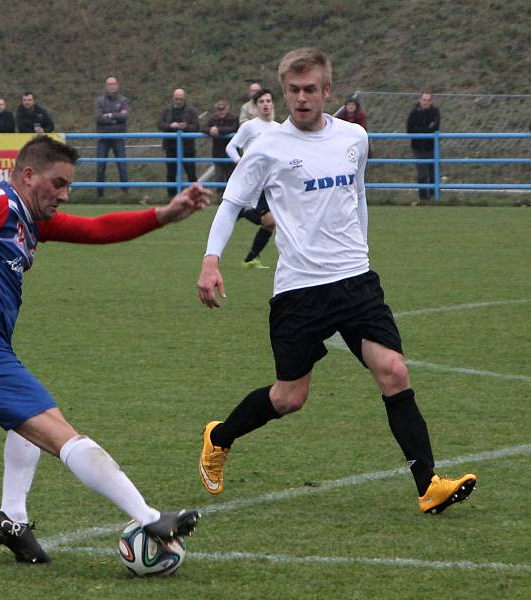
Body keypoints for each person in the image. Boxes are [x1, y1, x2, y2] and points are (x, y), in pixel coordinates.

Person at [0, 135, 207, 564]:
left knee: (23, 418)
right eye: (58, 183)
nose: (63, 195)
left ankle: (12, 517)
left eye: (68, 186)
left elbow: (97, 229)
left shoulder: (30, 221)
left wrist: (164, 215)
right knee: (59, 432)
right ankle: (150, 516)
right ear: (28, 175)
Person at [196, 48, 477, 516]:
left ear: (328, 90)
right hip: (299, 290)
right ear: (283, 91)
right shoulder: (267, 147)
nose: (301, 98)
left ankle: (428, 485)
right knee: (290, 398)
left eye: (311, 89)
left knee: (394, 372)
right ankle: (219, 436)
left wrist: (361, 252)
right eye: (293, 90)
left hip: (355, 281)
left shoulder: (355, 137)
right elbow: (230, 203)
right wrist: (211, 260)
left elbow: (358, 194)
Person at [225, 89, 279, 269]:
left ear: (272, 104)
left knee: (271, 223)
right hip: (254, 181)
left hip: (271, 181)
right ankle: (245, 211)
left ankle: (251, 258)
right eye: (262, 101)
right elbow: (231, 147)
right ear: (256, 106)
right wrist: (240, 162)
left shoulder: (278, 128)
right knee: (271, 221)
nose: (266, 104)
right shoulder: (249, 126)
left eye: (268, 101)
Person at [157, 88, 200, 197]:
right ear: (173, 99)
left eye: (181, 99)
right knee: (171, 174)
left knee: (191, 174)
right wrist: (170, 126)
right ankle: (171, 198)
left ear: (184, 99)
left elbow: (196, 126)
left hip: (187, 147)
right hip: (171, 146)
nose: (179, 101)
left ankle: (196, 197)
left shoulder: (192, 111)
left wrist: (185, 127)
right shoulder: (166, 110)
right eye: (177, 99)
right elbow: (160, 124)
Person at [94, 76, 130, 198]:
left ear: (117, 85)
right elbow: (98, 117)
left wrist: (109, 115)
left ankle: (125, 194)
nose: (112, 86)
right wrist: (115, 118)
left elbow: (124, 116)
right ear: (106, 86)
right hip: (103, 138)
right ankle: (99, 195)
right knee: (100, 166)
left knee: (122, 166)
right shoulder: (99, 101)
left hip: (118, 137)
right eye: (109, 84)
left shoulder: (123, 100)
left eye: (114, 84)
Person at [406, 91, 441, 202]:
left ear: (431, 101)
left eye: (428, 100)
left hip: (432, 146)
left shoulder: (435, 112)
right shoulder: (413, 113)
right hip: (418, 147)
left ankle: (435, 197)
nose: (425, 102)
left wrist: (421, 129)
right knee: (422, 173)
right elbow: (410, 129)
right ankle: (423, 198)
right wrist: (426, 129)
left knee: (433, 172)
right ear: (420, 100)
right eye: (424, 100)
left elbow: (435, 127)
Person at [202, 99, 238, 185]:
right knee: (219, 179)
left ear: (227, 108)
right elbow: (203, 127)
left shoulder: (234, 118)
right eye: (219, 109)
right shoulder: (213, 119)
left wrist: (219, 130)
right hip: (218, 153)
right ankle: (219, 197)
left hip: (231, 154)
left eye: (223, 109)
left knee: (232, 180)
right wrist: (210, 130)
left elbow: (234, 128)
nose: (221, 111)